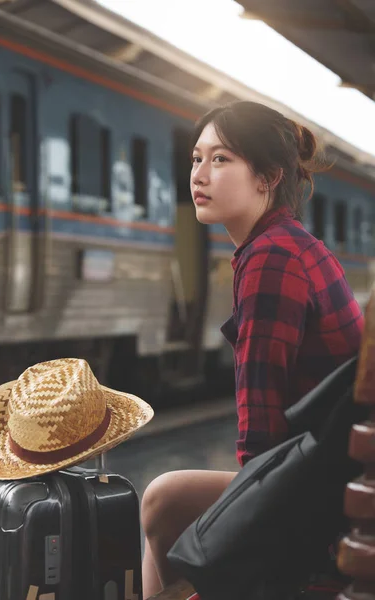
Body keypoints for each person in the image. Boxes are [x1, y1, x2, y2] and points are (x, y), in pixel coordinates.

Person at [141, 101, 364, 599]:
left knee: (161, 500)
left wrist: (233, 551)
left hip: (323, 494)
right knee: (169, 497)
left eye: (222, 160)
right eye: (197, 158)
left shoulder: (271, 259)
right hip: (333, 471)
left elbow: (260, 435)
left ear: (266, 177)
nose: (200, 174)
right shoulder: (289, 243)